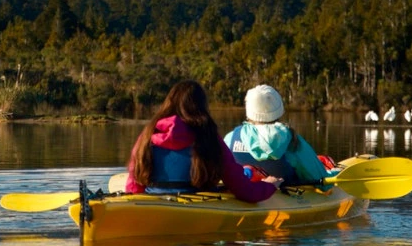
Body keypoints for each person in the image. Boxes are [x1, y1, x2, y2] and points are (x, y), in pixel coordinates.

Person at [125, 80, 280, 202]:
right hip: (199, 206)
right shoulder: (209, 137)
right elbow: (244, 191)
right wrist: (270, 185)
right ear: (202, 107)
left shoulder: (148, 135)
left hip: (153, 205)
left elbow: (133, 187)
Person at [224, 84, 333, 187]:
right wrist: (333, 173)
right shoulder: (293, 142)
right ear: (279, 111)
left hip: (244, 196)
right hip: (286, 197)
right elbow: (322, 182)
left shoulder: (231, 138)